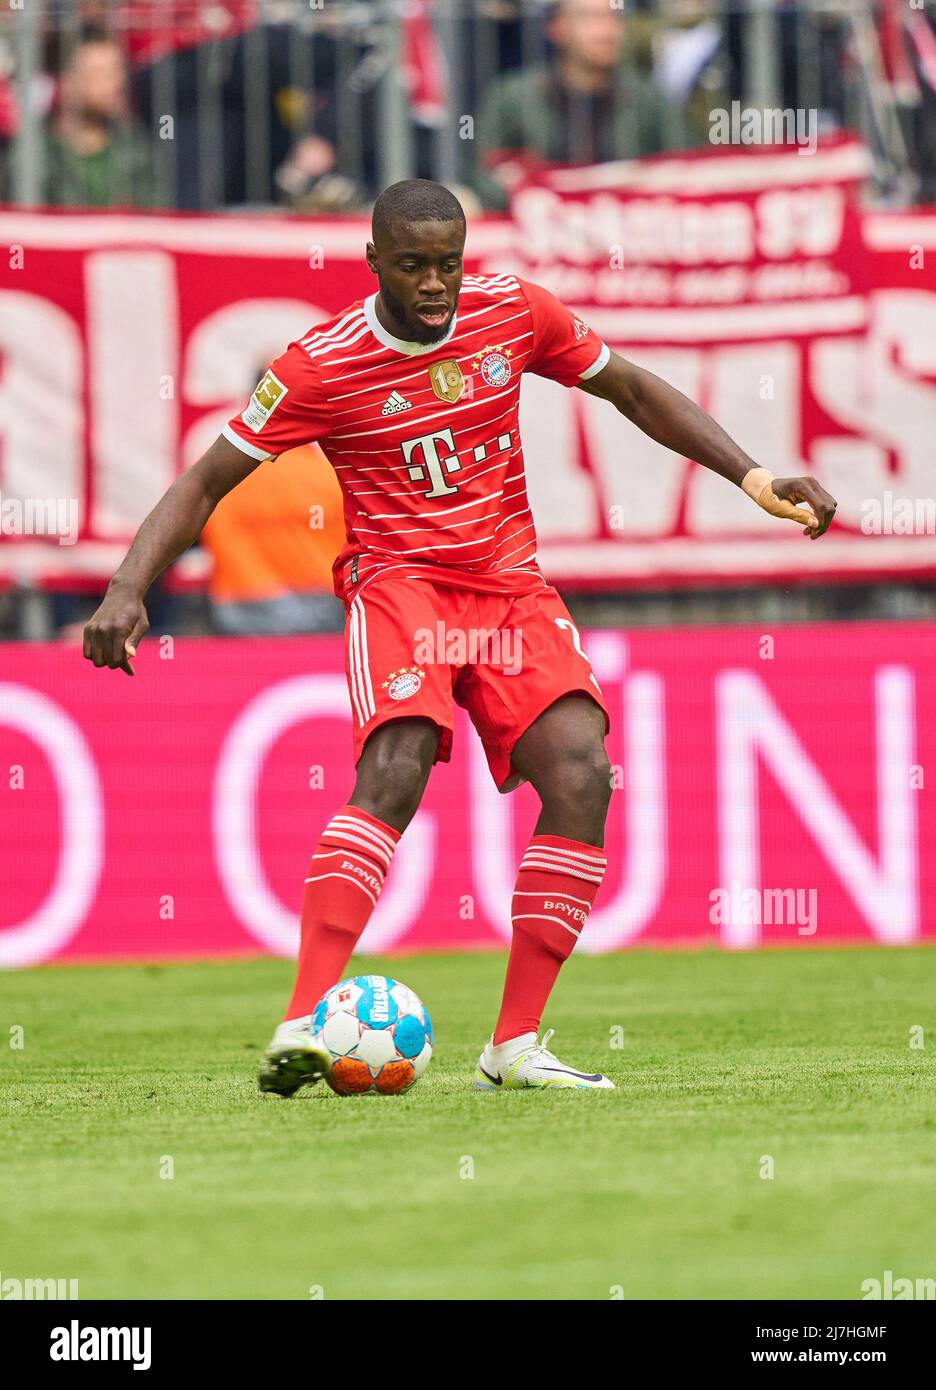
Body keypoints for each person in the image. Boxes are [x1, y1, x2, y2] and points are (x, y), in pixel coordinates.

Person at [83, 179, 837, 1094]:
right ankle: (301, 1020)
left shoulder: (515, 312)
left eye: (448, 261)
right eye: (413, 265)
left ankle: (514, 1045)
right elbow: (206, 481)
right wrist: (128, 587)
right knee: (396, 766)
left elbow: (632, 388)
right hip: (401, 588)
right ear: (373, 263)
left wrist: (753, 479)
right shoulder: (322, 365)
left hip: (510, 587)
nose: (435, 283)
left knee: (581, 773)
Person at [474, 0, 675, 209]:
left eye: (614, 17)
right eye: (590, 18)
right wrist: (525, 195)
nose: (607, 31)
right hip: (538, 230)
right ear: (557, 27)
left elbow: (684, 164)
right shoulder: (514, 97)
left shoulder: (647, 97)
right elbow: (481, 171)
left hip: (628, 229)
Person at [42, 30, 155, 208]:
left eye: (119, 70)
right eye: (99, 73)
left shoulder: (137, 147)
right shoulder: (35, 158)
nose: (117, 82)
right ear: (65, 83)